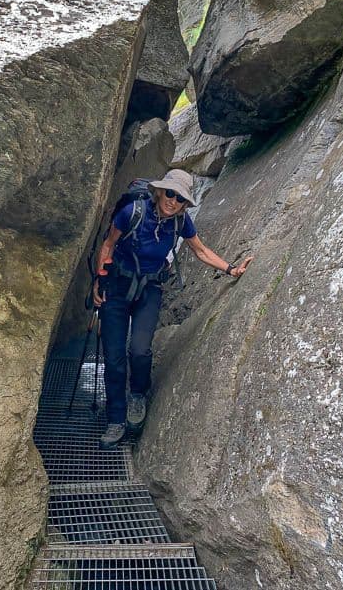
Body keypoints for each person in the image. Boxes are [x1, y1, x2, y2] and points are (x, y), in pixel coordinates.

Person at [92, 169, 253, 449]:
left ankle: (138, 395)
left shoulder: (181, 222)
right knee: (115, 357)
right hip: (116, 288)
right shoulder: (132, 212)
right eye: (170, 194)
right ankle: (115, 418)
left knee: (140, 350)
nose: (173, 202)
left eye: (180, 199)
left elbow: (201, 251)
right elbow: (108, 245)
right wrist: (99, 281)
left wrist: (231, 269)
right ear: (159, 191)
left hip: (149, 290)